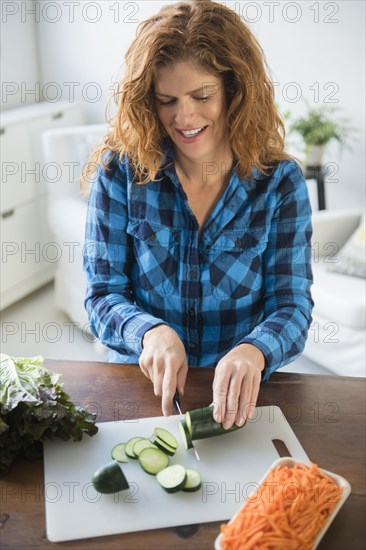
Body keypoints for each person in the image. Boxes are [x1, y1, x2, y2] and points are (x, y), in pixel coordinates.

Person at [82, 0, 313, 430]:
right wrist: (150, 332)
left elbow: (291, 305)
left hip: (241, 398)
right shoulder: (120, 173)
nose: (183, 117)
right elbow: (102, 295)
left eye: (201, 96)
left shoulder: (279, 182)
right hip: (141, 387)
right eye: (166, 99)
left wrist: (255, 350)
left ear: (234, 89)